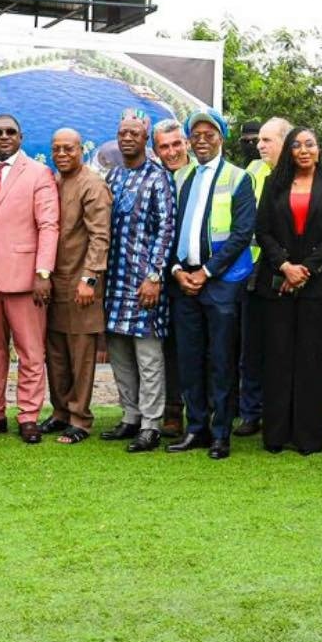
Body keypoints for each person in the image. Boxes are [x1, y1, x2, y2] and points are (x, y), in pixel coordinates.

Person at [167, 109, 256, 459]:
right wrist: (177, 270)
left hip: (220, 284)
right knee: (189, 360)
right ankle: (196, 429)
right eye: (196, 134)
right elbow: (170, 229)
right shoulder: (180, 176)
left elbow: (241, 233)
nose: (202, 140)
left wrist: (207, 271)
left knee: (220, 361)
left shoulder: (238, 178)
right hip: (183, 281)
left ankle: (221, 434)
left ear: (221, 137)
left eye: (210, 133)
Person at [254, 127, 322, 455]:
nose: (304, 150)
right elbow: (262, 231)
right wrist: (285, 266)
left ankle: (308, 437)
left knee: (311, 359)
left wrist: (305, 268)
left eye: (310, 144)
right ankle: (277, 434)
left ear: (319, 150)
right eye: (297, 145)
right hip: (278, 284)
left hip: (319, 286)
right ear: (289, 152)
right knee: (278, 357)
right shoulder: (273, 184)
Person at [0, 113, 60, 443]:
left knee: (30, 352)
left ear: (20, 138)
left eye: (10, 132)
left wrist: (43, 272)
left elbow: (49, 226)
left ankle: (28, 416)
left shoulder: (39, 174)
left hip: (26, 279)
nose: (4, 136)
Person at [101, 112, 174, 452]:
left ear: (145, 138)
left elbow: (165, 230)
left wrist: (155, 276)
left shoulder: (159, 179)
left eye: (134, 132)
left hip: (145, 283)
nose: (127, 137)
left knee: (148, 357)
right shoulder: (113, 177)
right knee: (119, 354)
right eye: (122, 132)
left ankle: (151, 424)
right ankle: (130, 416)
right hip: (114, 282)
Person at [43, 128, 110, 444]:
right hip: (54, 282)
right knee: (56, 353)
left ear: (81, 149)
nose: (61, 154)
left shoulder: (92, 184)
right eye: (56, 149)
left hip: (82, 282)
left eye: (68, 148)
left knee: (80, 354)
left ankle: (80, 420)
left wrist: (90, 279)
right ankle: (60, 413)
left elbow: (100, 236)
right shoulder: (54, 182)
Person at [237, 116, 291, 436]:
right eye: (259, 140)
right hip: (251, 270)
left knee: (280, 348)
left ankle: (277, 412)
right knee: (250, 347)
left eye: (267, 140)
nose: (259, 145)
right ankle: (250, 412)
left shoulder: (298, 175)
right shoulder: (254, 171)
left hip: (282, 271)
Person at [152, 116, 195, 434]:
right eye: (164, 146)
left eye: (176, 144)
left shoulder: (202, 175)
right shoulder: (152, 177)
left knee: (191, 344)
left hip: (194, 274)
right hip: (157, 274)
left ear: (188, 144)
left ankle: (196, 410)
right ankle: (168, 410)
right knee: (162, 345)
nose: (171, 152)